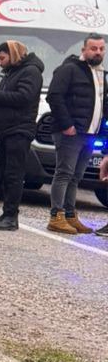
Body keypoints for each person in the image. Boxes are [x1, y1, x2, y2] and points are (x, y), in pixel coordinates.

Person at [44, 32, 106, 234]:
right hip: (71, 133)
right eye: (93, 48)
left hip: (90, 134)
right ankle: (56, 216)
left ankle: (70, 215)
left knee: (76, 176)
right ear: (84, 50)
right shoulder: (69, 69)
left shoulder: (100, 73)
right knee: (64, 173)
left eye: (101, 48)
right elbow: (54, 96)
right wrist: (66, 125)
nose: (98, 52)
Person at [0, 40, 43, 230]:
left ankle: (11, 216)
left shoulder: (30, 72)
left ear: (13, 54)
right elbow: (7, 100)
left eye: (2, 58)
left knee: (14, 174)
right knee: (7, 174)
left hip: (19, 130)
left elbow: (24, 97)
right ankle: (7, 213)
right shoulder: (12, 72)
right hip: (6, 130)